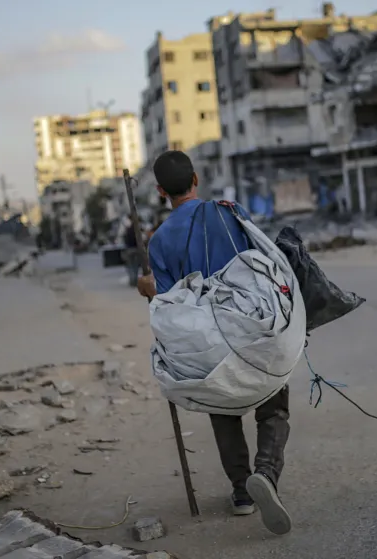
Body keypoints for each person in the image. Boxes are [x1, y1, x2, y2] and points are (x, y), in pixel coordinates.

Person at [137, 150, 293, 535]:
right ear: (196, 178)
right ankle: (267, 475)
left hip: (208, 340)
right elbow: (261, 261)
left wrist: (148, 290)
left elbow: (173, 301)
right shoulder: (231, 210)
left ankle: (242, 493)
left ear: (160, 191)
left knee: (224, 412)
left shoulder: (158, 242)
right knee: (272, 409)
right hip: (251, 328)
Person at [123, 219, 140, 287]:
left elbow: (125, 240)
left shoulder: (128, 230)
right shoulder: (137, 231)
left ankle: (132, 280)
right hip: (136, 249)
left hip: (129, 250)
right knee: (135, 266)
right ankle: (135, 280)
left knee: (130, 266)